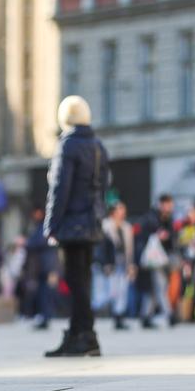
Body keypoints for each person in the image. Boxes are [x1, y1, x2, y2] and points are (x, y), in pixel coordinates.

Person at [42, 95, 111, 358]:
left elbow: (60, 189)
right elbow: (104, 186)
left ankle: (82, 335)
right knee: (84, 280)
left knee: (75, 281)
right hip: (92, 223)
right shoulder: (98, 146)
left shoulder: (67, 145)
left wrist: (51, 224)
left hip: (71, 225)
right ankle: (82, 333)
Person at [135, 195, 177, 329]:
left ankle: (145, 316)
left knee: (153, 289)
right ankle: (169, 314)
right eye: (167, 204)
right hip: (153, 259)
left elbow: (172, 240)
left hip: (162, 259)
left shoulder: (168, 219)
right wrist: (157, 235)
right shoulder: (151, 218)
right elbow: (142, 236)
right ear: (161, 204)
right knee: (160, 286)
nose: (169, 208)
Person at [99, 202, 135, 330]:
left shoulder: (127, 227)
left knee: (123, 290)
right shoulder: (105, 226)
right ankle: (105, 311)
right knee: (111, 291)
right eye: (120, 209)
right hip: (111, 262)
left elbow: (130, 249)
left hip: (123, 262)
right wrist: (105, 263)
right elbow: (102, 247)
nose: (122, 212)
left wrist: (131, 265)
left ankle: (119, 317)